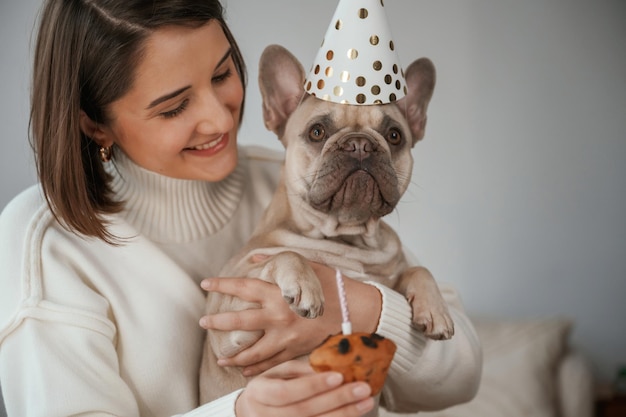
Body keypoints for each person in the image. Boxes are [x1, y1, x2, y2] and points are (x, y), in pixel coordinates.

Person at [0, 0, 482, 416]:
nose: (218, 117)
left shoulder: (291, 179)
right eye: (173, 107)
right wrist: (239, 412)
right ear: (95, 125)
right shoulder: (44, 247)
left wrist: (358, 306)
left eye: (222, 74)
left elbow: (462, 370)